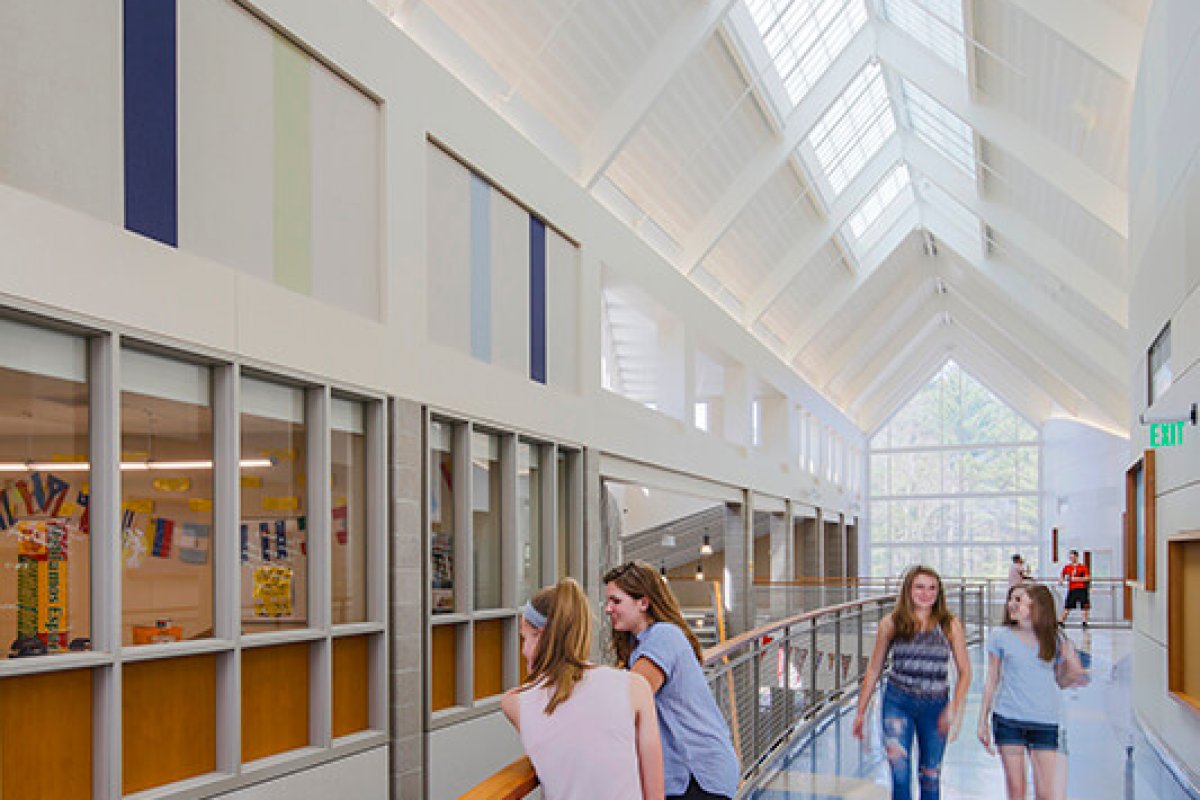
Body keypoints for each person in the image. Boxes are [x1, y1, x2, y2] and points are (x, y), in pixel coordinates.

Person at [501, 577, 665, 800]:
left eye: (525, 639)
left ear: (541, 637)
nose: (523, 650)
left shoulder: (515, 703)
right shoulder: (634, 687)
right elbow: (655, 794)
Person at [603, 561, 740, 800]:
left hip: (698, 776)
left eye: (616, 601)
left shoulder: (662, 636)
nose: (607, 609)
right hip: (689, 777)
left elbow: (629, 703)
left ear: (643, 603)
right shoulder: (641, 645)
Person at [852, 565, 971, 800]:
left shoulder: (949, 624)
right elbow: (874, 668)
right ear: (908, 590)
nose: (926, 594)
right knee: (900, 774)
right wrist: (860, 711)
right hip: (898, 702)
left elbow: (965, 671)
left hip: (936, 706)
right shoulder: (891, 623)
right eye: (919, 587)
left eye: (932, 588)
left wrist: (954, 708)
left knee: (930, 775)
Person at [977, 583, 1085, 800]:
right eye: (1011, 599)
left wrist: (1072, 667)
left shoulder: (1055, 639)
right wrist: (983, 720)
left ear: (1037, 606)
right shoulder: (1000, 636)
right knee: (1016, 791)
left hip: (1045, 721)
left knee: (1046, 793)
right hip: (1008, 720)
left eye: (1019, 600)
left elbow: (1062, 682)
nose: (1012, 605)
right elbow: (992, 679)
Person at [1059, 550, 1090, 627]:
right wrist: (1061, 580)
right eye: (1070, 557)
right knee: (1068, 606)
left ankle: (1084, 621)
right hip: (1072, 589)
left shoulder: (1082, 567)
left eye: (1073, 557)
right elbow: (1062, 575)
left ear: (1076, 557)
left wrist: (1076, 579)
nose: (1072, 559)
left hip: (1082, 588)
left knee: (1084, 606)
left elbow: (1087, 578)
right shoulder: (1067, 567)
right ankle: (1061, 620)